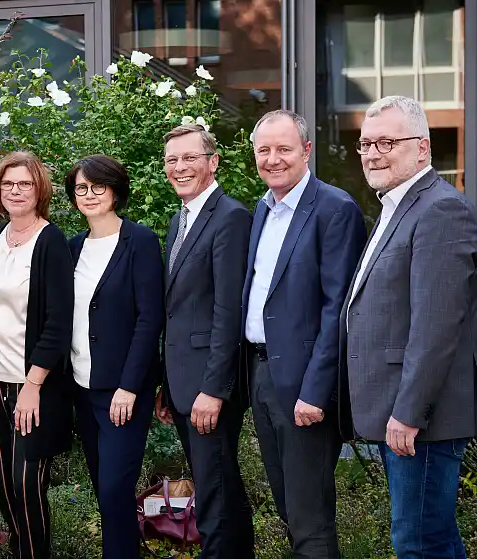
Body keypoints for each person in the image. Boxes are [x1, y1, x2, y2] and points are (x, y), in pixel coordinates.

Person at [340, 95, 477, 558]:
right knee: (430, 537)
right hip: (402, 412)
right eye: (364, 144)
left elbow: (437, 325)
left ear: (422, 147)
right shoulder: (396, 205)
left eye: (386, 142)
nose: (373, 153)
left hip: (420, 419)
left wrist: (409, 411)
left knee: (419, 543)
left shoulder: (440, 209)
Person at [241, 110, 366, 558]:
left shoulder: (335, 209)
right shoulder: (263, 209)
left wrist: (316, 392)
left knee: (309, 516)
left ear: (307, 151)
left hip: (304, 387)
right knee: (289, 508)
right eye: (264, 150)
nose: (273, 159)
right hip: (263, 375)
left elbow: (339, 310)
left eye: (284, 149)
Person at [153, 124, 254, 558]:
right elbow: (179, 310)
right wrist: (165, 383)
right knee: (218, 487)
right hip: (182, 383)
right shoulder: (180, 219)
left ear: (213, 162)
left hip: (209, 387)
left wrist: (213, 388)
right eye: (172, 160)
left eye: (190, 158)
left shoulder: (230, 216)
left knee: (215, 495)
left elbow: (228, 312)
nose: (180, 167)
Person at [65, 155, 164, 559]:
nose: (89, 195)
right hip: (81, 387)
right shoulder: (72, 248)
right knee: (104, 491)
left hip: (122, 392)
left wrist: (130, 386)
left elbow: (149, 318)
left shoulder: (139, 241)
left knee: (114, 489)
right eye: (81, 189)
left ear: (115, 190)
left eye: (97, 187)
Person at [0, 151, 74, 559]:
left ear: (40, 190)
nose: (15, 190)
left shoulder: (51, 241)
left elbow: (58, 322)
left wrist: (33, 384)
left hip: (31, 383)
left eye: (25, 184)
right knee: (4, 479)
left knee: (26, 481)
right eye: (8, 184)